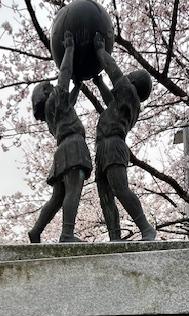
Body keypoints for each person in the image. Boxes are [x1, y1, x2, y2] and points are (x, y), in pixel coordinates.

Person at [28, 31, 92, 243]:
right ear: (47, 92)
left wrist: (78, 86)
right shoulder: (55, 99)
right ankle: (67, 233)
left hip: (62, 149)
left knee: (57, 197)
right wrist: (69, 49)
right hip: (73, 146)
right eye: (51, 87)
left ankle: (36, 230)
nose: (55, 87)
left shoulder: (51, 111)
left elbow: (68, 102)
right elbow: (64, 74)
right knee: (73, 190)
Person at [92, 32, 156, 241]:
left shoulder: (130, 92)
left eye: (129, 76)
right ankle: (115, 237)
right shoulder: (125, 102)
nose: (125, 77)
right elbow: (110, 101)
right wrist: (99, 83)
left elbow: (114, 72)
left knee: (119, 188)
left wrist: (101, 52)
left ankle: (146, 227)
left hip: (113, 145)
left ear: (133, 81)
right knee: (105, 195)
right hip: (103, 147)